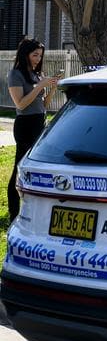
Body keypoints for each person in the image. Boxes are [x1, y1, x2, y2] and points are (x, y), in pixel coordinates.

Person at [6, 38, 58, 221]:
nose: (37, 58)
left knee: (38, 167)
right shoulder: (15, 74)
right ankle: (13, 213)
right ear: (25, 53)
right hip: (25, 124)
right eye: (34, 54)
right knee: (19, 168)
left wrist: (51, 87)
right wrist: (40, 86)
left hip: (39, 122)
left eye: (40, 55)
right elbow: (20, 104)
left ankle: (36, 211)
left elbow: (43, 104)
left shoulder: (37, 74)